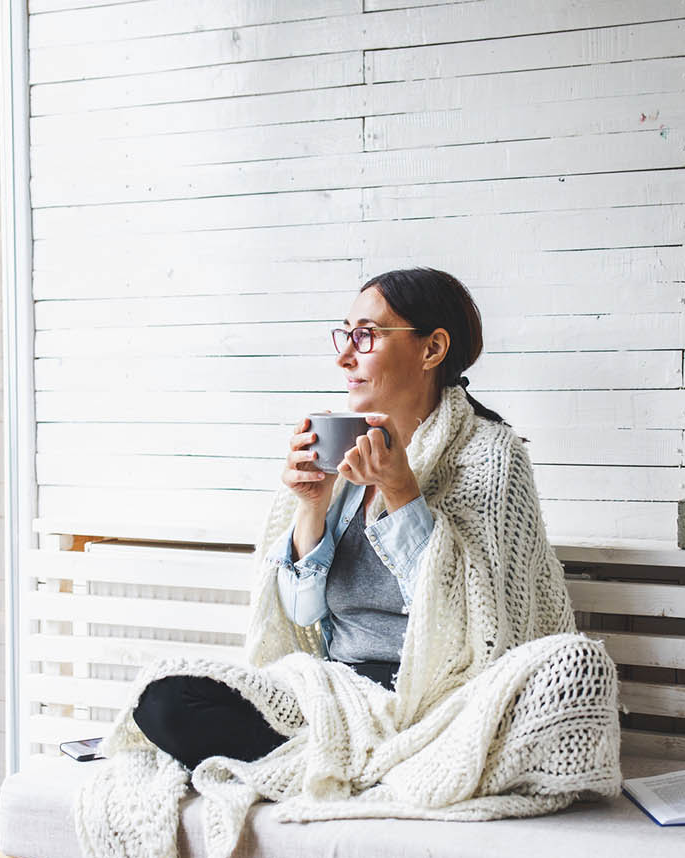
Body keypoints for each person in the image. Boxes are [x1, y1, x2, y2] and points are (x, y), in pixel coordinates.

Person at [131, 267, 523, 769]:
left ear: (432, 349)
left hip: (439, 700)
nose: (344, 355)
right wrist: (312, 506)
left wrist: (402, 491)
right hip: (334, 689)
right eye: (346, 334)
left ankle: (351, 761)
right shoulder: (343, 454)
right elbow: (300, 615)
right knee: (164, 702)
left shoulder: (489, 456)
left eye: (367, 335)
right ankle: (354, 761)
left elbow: (475, 622)